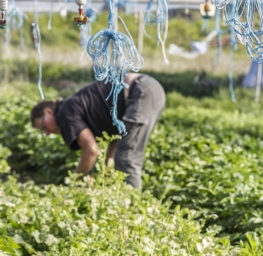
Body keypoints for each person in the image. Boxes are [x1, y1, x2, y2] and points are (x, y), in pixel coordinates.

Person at [30, 73, 166, 188]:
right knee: (125, 154)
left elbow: (91, 149)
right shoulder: (73, 108)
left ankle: (133, 211)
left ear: (48, 111)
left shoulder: (65, 113)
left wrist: (73, 183)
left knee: (126, 158)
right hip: (148, 89)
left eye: (43, 126)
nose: (46, 132)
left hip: (139, 90)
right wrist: (106, 169)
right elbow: (117, 134)